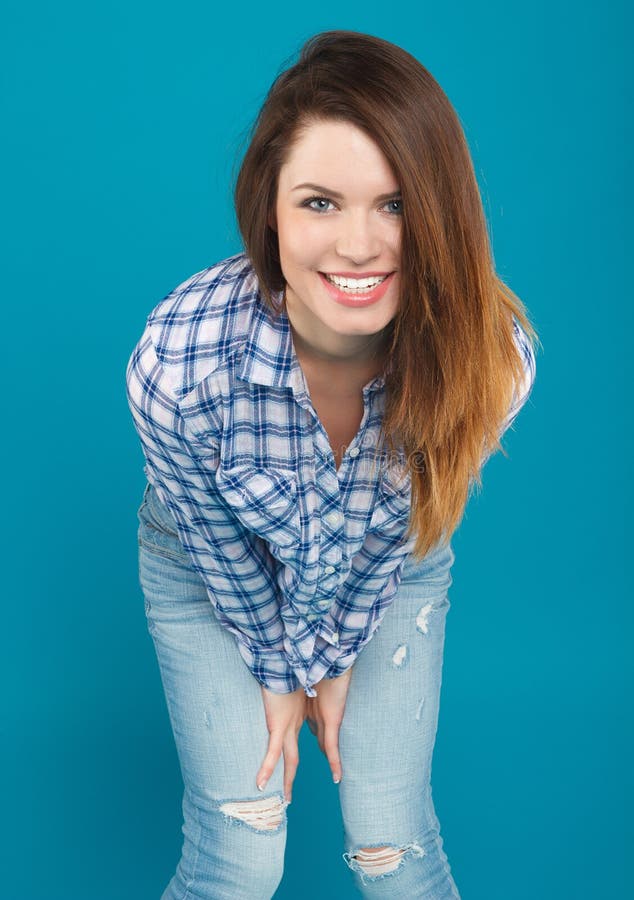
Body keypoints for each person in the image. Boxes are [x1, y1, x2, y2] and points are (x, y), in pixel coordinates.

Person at [126, 29, 537, 900]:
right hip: (210, 568)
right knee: (241, 855)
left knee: (392, 846)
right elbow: (217, 548)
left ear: (439, 215)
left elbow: (397, 538)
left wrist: (337, 652)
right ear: (269, 210)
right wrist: (283, 674)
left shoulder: (493, 363)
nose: (359, 245)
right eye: (320, 202)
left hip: (385, 570)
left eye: (395, 204)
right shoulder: (178, 365)